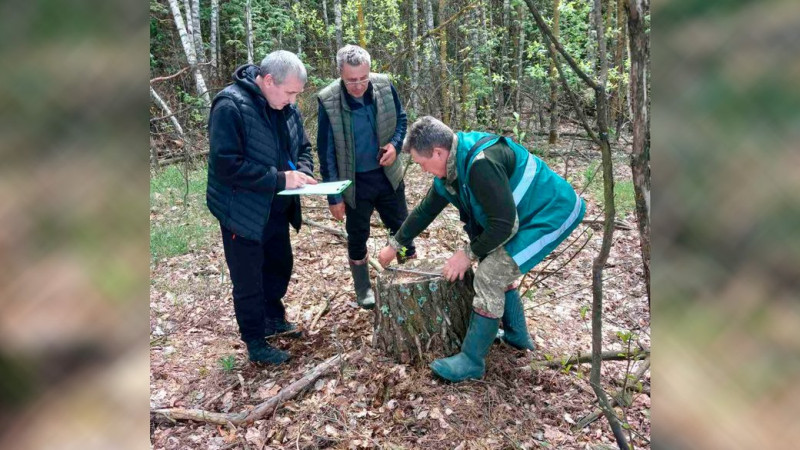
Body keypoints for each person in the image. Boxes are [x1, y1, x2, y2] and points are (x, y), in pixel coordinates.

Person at [378, 116, 586, 383]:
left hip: (551, 213)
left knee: (489, 273)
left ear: (438, 153)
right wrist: (395, 245)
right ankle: (516, 336)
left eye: (422, 163)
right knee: (491, 258)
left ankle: (471, 361)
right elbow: (425, 210)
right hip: (521, 216)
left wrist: (467, 254)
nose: (422, 169)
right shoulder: (453, 167)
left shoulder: (480, 164)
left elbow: (504, 225)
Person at [206, 50, 317, 365]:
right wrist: (280, 178)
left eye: (297, 94)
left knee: (279, 265)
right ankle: (256, 342)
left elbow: (303, 147)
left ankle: (273, 318)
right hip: (241, 211)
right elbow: (227, 165)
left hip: (277, 207)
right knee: (248, 279)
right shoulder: (230, 106)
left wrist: (303, 171)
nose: (293, 101)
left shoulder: (285, 108)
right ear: (268, 80)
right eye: (290, 92)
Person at [316, 44, 416, 310]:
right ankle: (363, 289)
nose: (359, 85)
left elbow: (402, 120)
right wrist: (334, 196)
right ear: (340, 75)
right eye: (351, 80)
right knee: (357, 234)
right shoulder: (328, 100)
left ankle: (412, 278)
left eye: (363, 78)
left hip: (387, 176)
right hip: (355, 183)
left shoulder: (384, 87)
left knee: (402, 227)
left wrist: (395, 145)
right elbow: (326, 154)